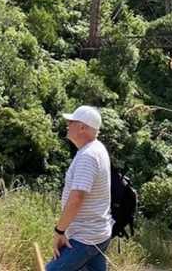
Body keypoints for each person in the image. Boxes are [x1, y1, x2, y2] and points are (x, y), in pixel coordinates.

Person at [48, 105, 112, 271]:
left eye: (71, 122)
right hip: (98, 234)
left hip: (85, 238)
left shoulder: (88, 156)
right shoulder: (97, 149)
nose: (67, 125)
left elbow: (76, 199)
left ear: (82, 127)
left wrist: (59, 231)